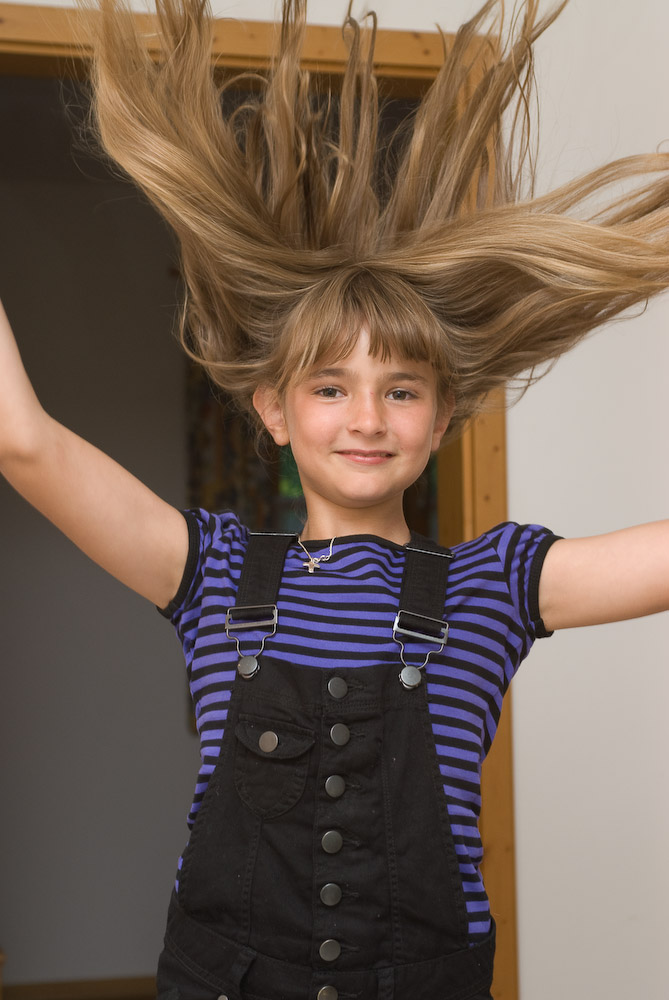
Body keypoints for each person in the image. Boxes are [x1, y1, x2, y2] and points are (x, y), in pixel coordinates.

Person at [1, 0, 668, 997]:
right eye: (330, 388)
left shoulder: (494, 583)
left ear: (442, 421)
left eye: (401, 391)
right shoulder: (211, 573)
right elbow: (25, 444)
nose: (367, 417)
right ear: (273, 410)